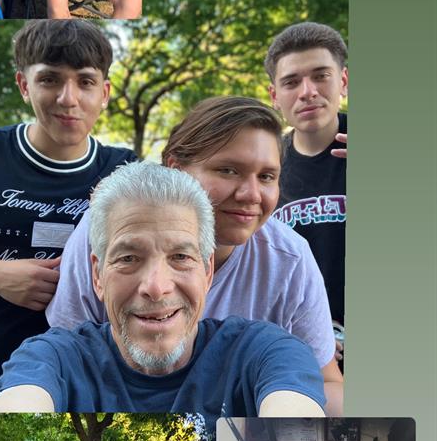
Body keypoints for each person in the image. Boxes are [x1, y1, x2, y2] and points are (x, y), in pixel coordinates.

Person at [0, 162, 326, 441]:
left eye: (180, 257)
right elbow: (20, 400)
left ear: (207, 272)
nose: (156, 288)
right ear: (97, 275)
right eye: (129, 257)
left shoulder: (266, 352)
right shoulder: (53, 358)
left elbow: (294, 420)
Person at [47, 96, 343, 412]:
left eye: (266, 176)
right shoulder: (111, 227)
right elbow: (67, 364)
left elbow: (325, 382)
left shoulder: (290, 258)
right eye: (228, 170)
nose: (251, 195)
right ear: (176, 169)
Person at [0, 19, 137, 405]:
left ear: (105, 92)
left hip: (81, 384)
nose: (68, 98)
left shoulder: (124, 170)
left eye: (85, 81)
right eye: (50, 80)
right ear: (24, 85)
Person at [265, 23, 347, 356]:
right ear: (275, 96)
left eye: (321, 76)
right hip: (310, 348)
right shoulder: (265, 169)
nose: (307, 92)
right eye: (291, 82)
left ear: (343, 81)